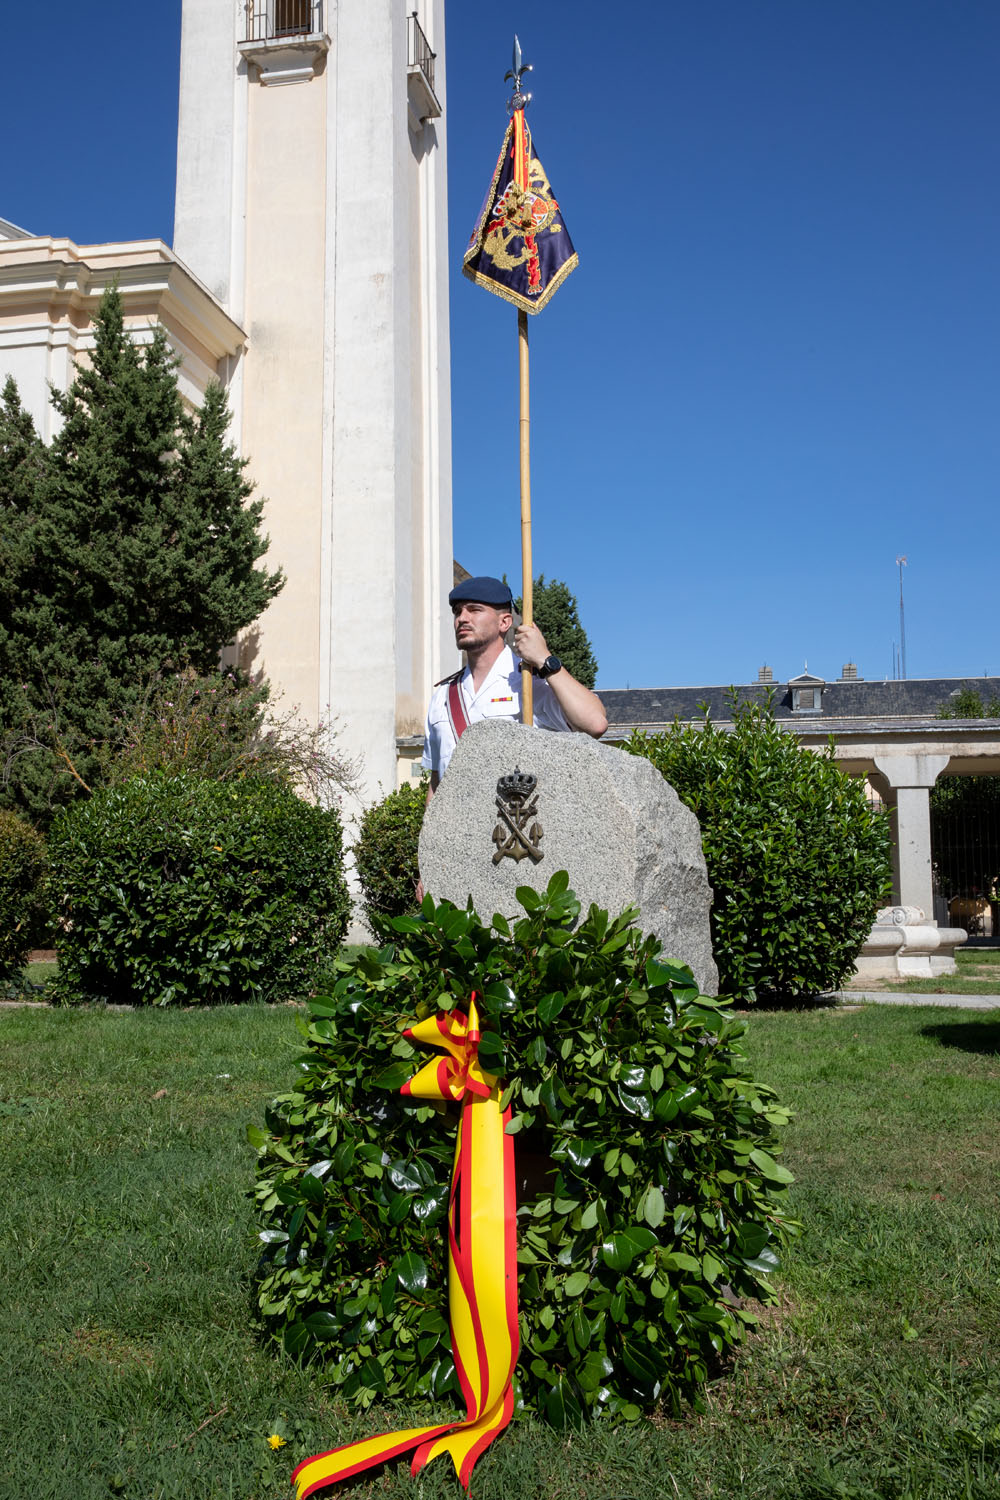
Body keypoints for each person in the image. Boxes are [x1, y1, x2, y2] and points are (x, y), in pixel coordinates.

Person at [422, 576, 607, 801]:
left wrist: (544, 659)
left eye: (475, 610)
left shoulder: (530, 683)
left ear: (505, 622)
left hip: (515, 827)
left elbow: (595, 724)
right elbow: (436, 782)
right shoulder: (443, 696)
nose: (462, 618)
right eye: (458, 611)